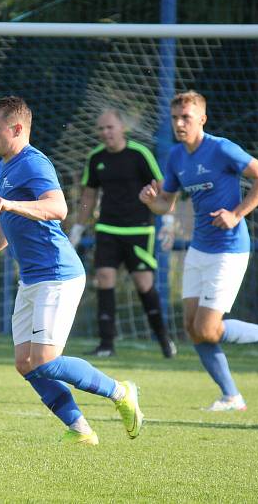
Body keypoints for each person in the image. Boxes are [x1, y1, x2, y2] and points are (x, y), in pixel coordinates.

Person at [0, 96, 143, 445]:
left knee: (44, 359)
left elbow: (58, 208)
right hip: (33, 278)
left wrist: (11, 204)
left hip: (58, 274)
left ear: (17, 128)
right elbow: (8, 222)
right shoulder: (5, 166)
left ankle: (121, 392)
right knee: (25, 363)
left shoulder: (33, 163)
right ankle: (81, 431)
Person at [139, 90, 258, 412]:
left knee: (209, 328)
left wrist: (236, 214)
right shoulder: (176, 157)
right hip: (199, 249)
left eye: (186, 118)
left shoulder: (221, 148)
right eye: (175, 118)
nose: (180, 124)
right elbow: (166, 203)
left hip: (229, 249)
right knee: (193, 330)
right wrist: (152, 201)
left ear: (202, 119)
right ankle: (231, 397)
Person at [69, 109, 177, 358]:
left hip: (139, 229)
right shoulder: (96, 158)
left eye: (110, 127)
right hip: (107, 229)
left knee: (143, 284)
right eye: (101, 129)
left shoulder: (140, 154)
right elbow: (88, 196)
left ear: (122, 128)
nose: (105, 132)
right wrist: (77, 228)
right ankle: (106, 344)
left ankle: (164, 341)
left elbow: (163, 189)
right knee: (104, 278)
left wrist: (168, 220)